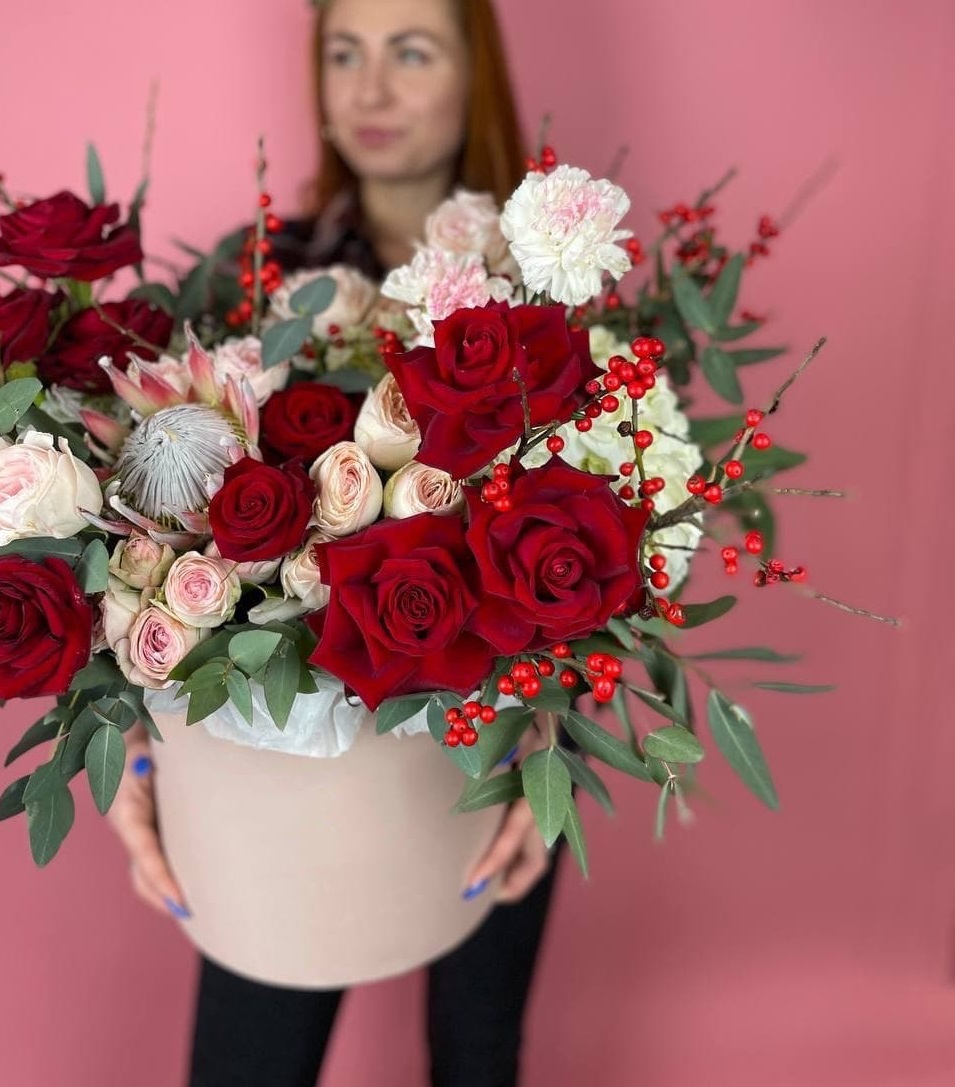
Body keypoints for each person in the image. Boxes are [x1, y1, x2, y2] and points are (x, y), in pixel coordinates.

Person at [107, 2, 563, 1084]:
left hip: (491, 747)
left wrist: (559, 750)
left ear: (475, 73)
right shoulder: (256, 272)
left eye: (411, 51)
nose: (369, 89)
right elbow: (153, 528)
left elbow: (601, 550)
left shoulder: (549, 286)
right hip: (274, 760)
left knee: (480, 1052)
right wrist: (135, 745)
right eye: (343, 52)